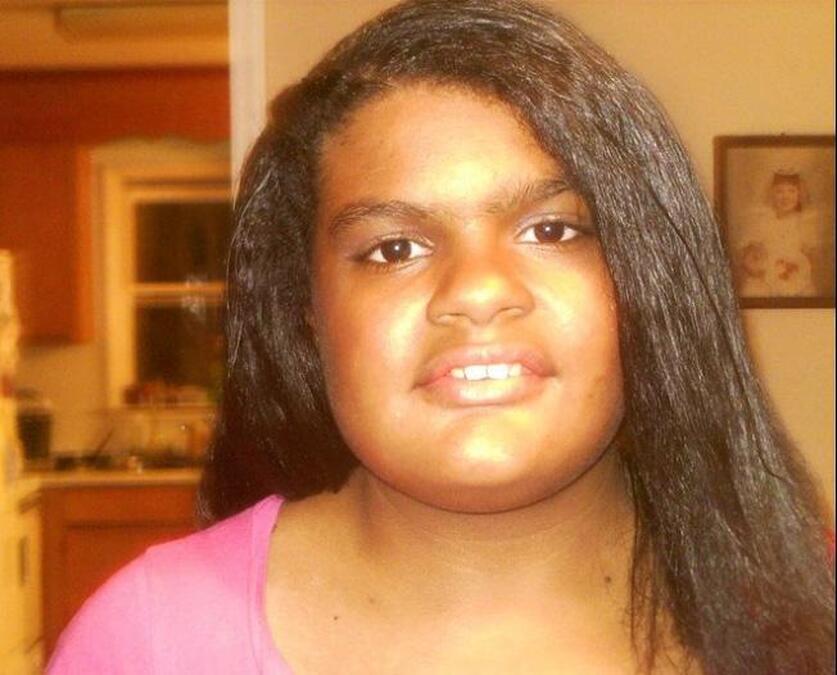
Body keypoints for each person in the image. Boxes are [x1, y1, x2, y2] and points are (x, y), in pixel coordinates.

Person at [48, 1, 834, 673]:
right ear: (307, 311)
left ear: (647, 276)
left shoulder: (811, 610)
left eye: (552, 229)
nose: (476, 290)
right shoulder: (150, 640)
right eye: (394, 248)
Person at [734, 170, 821, 297]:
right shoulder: (762, 221)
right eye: (779, 191)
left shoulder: (803, 223)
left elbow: (811, 259)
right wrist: (757, 268)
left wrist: (796, 270)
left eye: (792, 191)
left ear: (799, 194)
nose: (786, 197)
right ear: (772, 194)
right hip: (764, 280)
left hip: (796, 280)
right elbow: (749, 258)